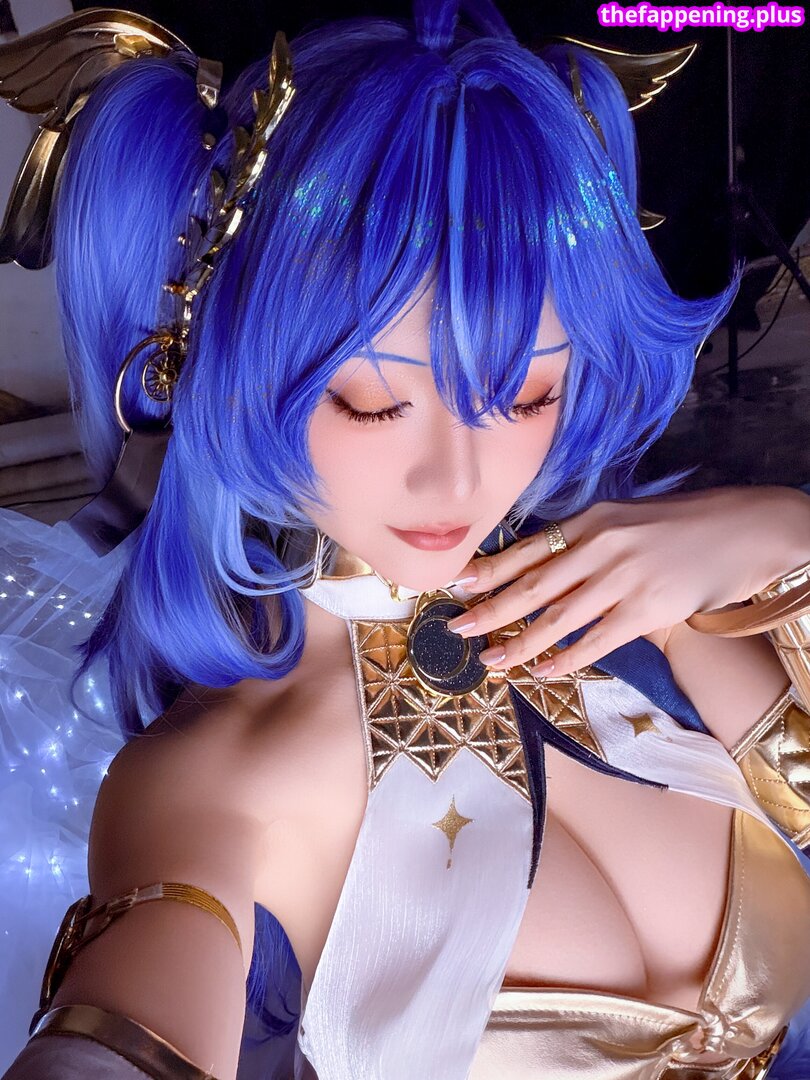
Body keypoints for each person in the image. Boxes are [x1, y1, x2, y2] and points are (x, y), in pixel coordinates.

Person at [1, 2, 810, 1078]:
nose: (458, 479)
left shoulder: (641, 607)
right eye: (374, 404)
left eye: (527, 395)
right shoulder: (217, 790)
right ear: (221, 365)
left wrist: (774, 528)